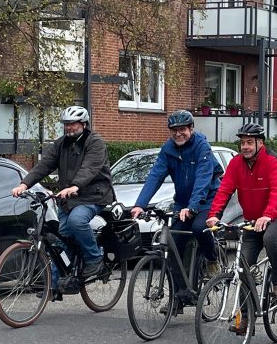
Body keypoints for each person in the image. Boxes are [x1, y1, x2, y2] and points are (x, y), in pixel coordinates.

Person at [12, 106, 113, 300]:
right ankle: (54, 285)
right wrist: (24, 184)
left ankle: (95, 259)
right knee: (61, 239)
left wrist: (75, 186)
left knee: (76, 222)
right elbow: (44, 166)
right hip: (69, 198)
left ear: (83, 124)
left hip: (94, 195)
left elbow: (89, 168)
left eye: (72, 124)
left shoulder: (95, 143)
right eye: (66, 124)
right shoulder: (61, 144)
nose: (68, 128)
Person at [206, 123, 277, 334]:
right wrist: (214, 216)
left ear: (260, 143)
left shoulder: (273, 162)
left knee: (271, 239)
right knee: (243, 267)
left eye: (249, 142)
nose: (244, 146)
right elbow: (224, 190)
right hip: (253, 220)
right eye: (242, 142)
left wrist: (268, 214)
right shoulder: (236, 164)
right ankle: (245, 319)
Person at [131, 110, 223, 298]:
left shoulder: (201, 146)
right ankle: (180, 295)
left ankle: (212, 259)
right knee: (173, 244)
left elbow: (203, 178)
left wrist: (193, 206)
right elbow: (155, 176)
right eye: (174, 130)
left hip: (207, 199)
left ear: (191, 128)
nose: (178, 133)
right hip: (182, 202)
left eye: (182, 129)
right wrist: (140, 204)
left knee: (199, 228)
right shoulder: (168, 149)